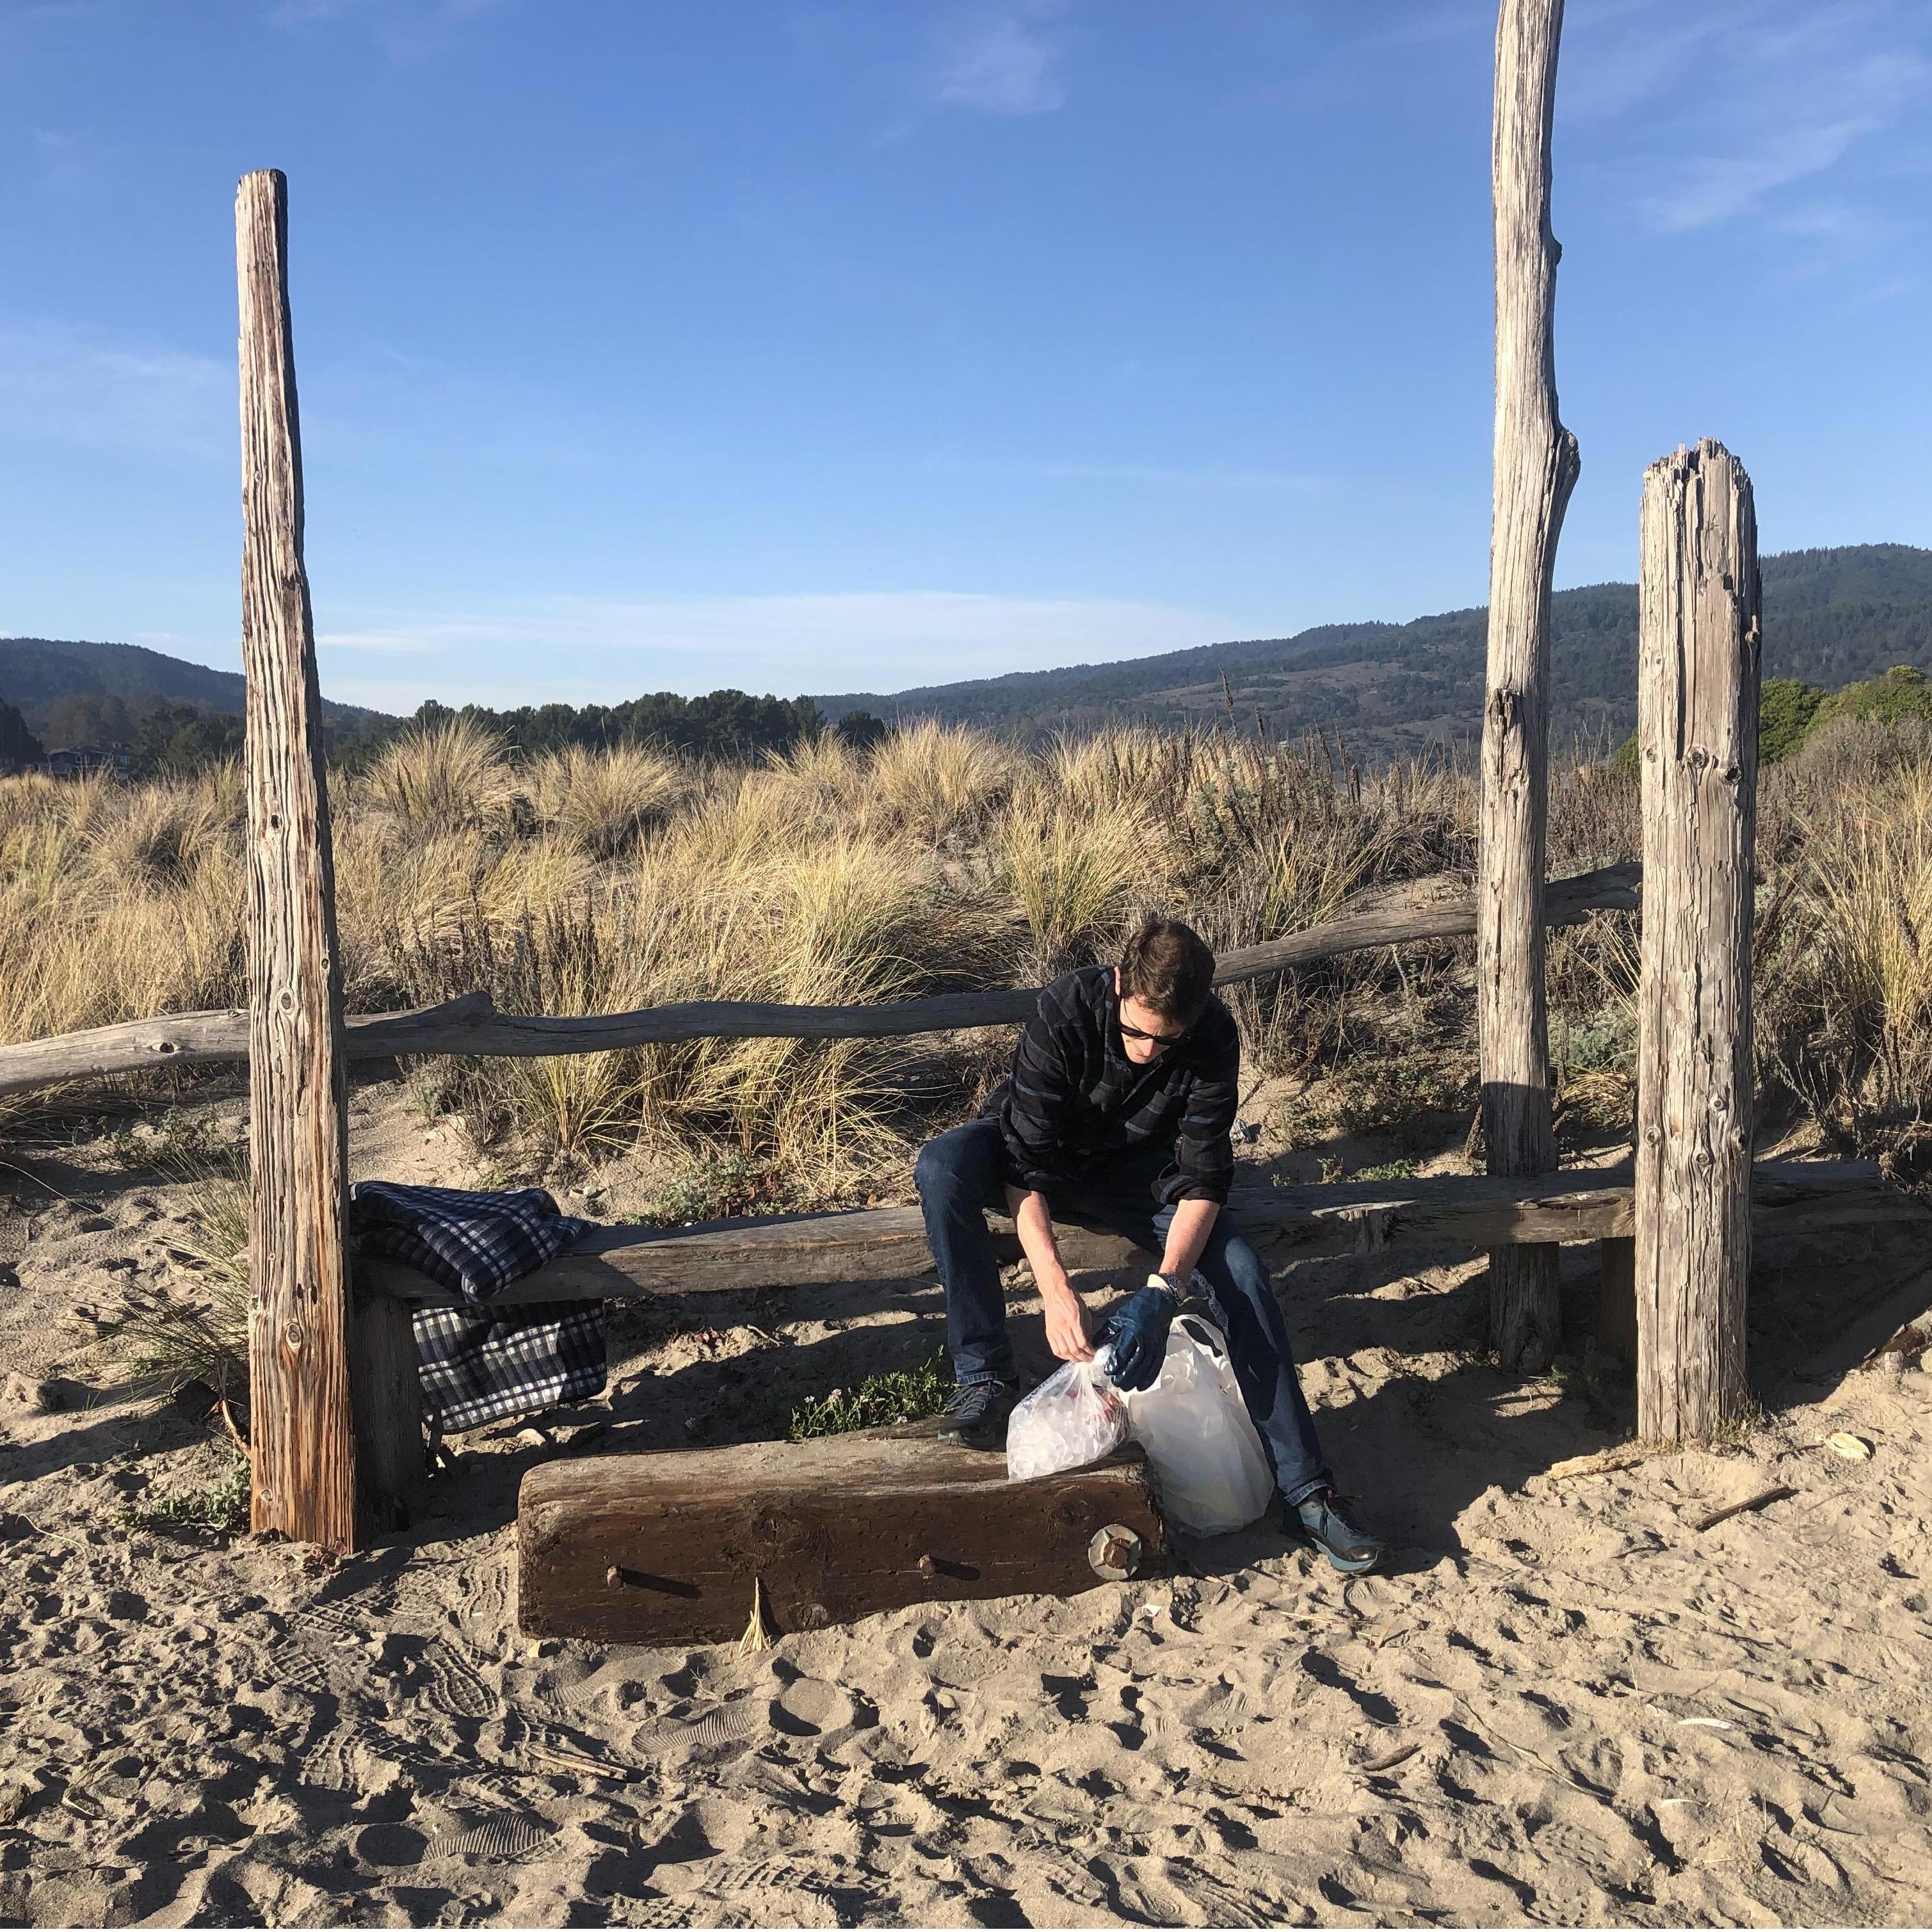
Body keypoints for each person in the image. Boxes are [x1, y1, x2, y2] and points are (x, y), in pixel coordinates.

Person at [914, 915, 1383, 1575]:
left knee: (1242, 1272)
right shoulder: (1065, 1010)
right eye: (1136, 1033)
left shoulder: (1213, 1034)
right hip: (1043, 1164)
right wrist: (1056, 1292)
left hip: (1143, 1177)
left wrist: (1163, 1291)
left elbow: (1203, 1182)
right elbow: (1025, 1168)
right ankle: (985, 1377)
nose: (1148, 1053)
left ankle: (1307, 1494)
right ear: (1117, 985)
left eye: (1167, 1043)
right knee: (942, 1167)